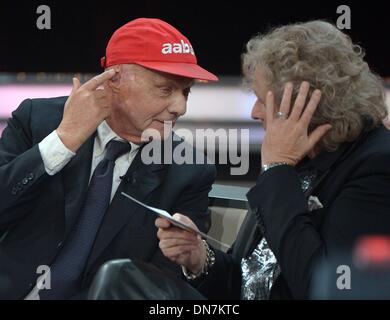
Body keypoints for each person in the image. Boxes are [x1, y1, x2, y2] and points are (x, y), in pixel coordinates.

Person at [154, 20, 390, 299]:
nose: (254, 112)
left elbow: (328, 288)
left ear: (306, 103)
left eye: (262, 100)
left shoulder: (376, 166)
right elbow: (251, 280)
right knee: (125, 277)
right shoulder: (299, 160)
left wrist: (277, 169)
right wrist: (198, 258)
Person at [0, 18, 218, 300]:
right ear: (115, 79)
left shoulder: (188, 170)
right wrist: (64, 141)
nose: (180, 107)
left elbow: (162, 286)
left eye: (186, 91)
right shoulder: (37, 120)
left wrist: (194, 260)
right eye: (165, 89)